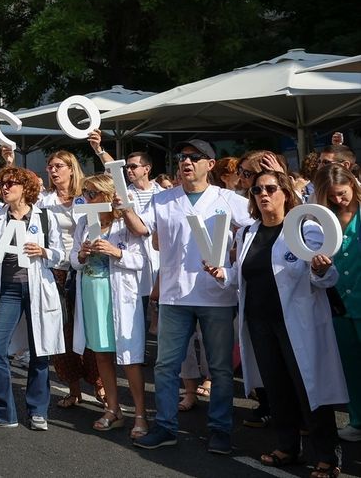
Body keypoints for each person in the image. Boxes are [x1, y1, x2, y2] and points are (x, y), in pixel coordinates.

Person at [206, 171, 346, 478]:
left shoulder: (306, 229)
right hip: (259, 322)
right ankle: (287, 446)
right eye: (257, 190)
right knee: (276, 386)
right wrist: (222, 275)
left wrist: (322, 270)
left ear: (286, 192)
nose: (263, 194)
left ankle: (327, 455)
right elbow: (240, 278)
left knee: (309, 388)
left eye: (271, 188)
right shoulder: (247, 233)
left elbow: (327, 278)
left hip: (297, 324)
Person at [134, 139, 254, 455]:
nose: (186, 162)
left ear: (210, 165)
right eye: (182, 157)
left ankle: (220, 430)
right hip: (174, 297)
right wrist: (121, 204)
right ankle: (165, 427)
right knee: (165, 366)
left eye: (195, 157)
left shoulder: (228, 199)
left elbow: (258, 231)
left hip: (217, 296)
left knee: (219, 369)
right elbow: (141, 230)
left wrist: (232, 255)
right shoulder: (162, 200)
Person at [0, 166, 65, 430]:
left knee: (40, 351)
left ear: (26, 187)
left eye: (11, 183)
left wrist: (44, 252)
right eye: (2, 183)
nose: (5, 187)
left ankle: (38, 411)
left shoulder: (45, 218)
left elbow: (63, 256)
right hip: (8, 291)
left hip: (38, 290)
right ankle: (4, 411)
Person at [70, 174, 151, 438]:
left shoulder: (123, 223)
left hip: (119, 295)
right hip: (92, 293)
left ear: (106, 196)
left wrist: (116, 253)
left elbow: (142, 259)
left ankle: (140, 414)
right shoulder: (84, 222)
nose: (88, 198)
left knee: (129, 357)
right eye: (85, 194)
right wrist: (81, 254)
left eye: (92, 194)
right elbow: (73, 259)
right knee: (101, 353)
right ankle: (113, 410)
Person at [39, 150, 102, 410]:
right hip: (57, 270)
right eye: (50, 166)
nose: (53, 171)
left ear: (71, 168)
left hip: (85, 268)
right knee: (62, 332)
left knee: (91, 328)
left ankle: (99, 384)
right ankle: (73, 389)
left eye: (58, 166)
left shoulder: (85, 197)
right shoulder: (44, 200)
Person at [314, 164, 361, 443]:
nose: (338, 200)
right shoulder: (321, 219)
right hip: (337, 304)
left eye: (342, 194)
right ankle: (357, 419)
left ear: (353, 187)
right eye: (331, 196)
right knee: (350, 367)